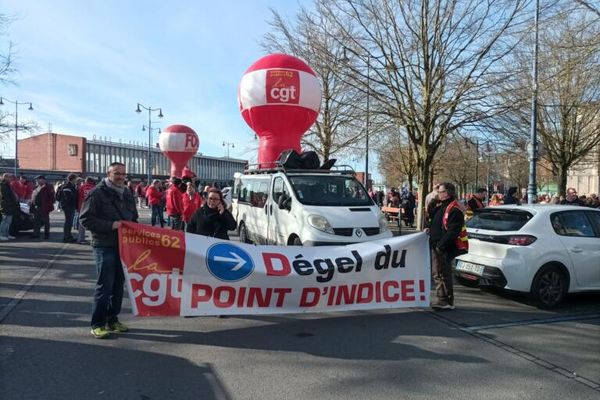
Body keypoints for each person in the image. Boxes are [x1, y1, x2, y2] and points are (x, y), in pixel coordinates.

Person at [80, 162, 138, 339]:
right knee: (105, 285)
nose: (120, 177)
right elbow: (85, 219)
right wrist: (110, 225)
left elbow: (133, 215)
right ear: (108, 173)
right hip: (104, 245)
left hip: (124, 245)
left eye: (123, 174)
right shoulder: (96, 193)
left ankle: (113, 319)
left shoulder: (127, 192)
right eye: (116, 173)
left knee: (119, 284)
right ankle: (97, 323)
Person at [426, 182, 467, 311]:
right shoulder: (443, 206)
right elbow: (431, 213)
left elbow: (453, 231)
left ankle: (445, 300)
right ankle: (444, 299)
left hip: (442, 247)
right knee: (438, 273)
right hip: (437, 245)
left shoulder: (454, 209)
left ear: (447, 193)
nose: (438, 194)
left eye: (440, 191)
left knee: (441, 274)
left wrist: (440, 246)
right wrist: (434, 198)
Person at [30, 175, 55, 240]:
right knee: (36, 221)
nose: (36, 181)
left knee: (46, 221)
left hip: (44, 207)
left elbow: (52, 198)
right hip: (36, 207)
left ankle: (47, 235)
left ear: (43, 180)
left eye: (38, 179)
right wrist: (32, 206)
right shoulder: (36, 187)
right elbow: (33, 197)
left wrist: (49, 206)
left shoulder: (49, 186)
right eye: (36, 180)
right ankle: (36, 234)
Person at [57, 173, 78, 243]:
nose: (76, 180)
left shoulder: (71, 186)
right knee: (68, 222)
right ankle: (66, 237)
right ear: (73, 179)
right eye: (76, 178)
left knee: (69, 221)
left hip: (69, 206)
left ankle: (68, 236)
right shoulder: (67, 186)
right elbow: (68, 197)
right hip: (68, 206)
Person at [76, 177, 96, 243]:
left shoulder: (82, 187)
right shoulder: (94, 187)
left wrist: (79, 208)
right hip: (92, 207)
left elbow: (79, 197)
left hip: (82, 207)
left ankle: (80, 239)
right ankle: (93, 239)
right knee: (93, 224)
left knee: (81, 224)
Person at [0, 173, 19, 241]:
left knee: (8, 222)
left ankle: (7, 234)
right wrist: (6, 203)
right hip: (5, 206)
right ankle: (2, 235)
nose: (11, 179)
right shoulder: (2, 185)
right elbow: (3, 197)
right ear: (5, 178)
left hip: (10, 206)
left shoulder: (8, 185)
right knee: (4, 221)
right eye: (10, 177)